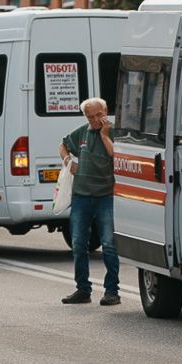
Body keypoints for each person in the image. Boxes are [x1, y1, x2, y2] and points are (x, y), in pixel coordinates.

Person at [58, 97, 121, 305]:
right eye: (90, 117)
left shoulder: (112, 132)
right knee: (78, 244)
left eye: (98, 115)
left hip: (105, 196)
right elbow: (63, 145)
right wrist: (68, 161)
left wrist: (103, 134)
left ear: (106, 111)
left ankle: (112, 291)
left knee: (109, 245)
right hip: (81, 196)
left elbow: (115, 155)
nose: (95, 120)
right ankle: (82, 289)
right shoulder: (82, 132)